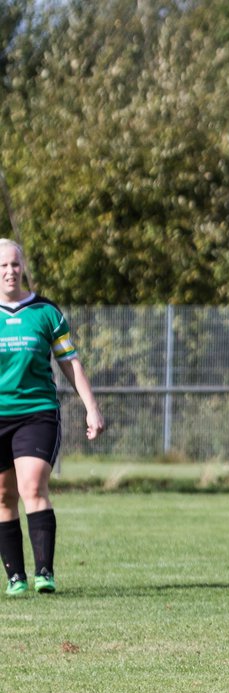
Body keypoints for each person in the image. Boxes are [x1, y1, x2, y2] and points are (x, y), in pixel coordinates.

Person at [0, 239, 104, 596]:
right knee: (2, 495)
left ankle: (45, 572)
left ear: (23, 266)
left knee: (32, 486)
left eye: (14, 264)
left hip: (36, 412)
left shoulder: (45, 312)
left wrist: (91, 407)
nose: (10, 272)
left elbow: (69, 361)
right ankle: (16, 577)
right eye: (2, 267)